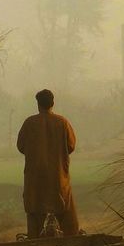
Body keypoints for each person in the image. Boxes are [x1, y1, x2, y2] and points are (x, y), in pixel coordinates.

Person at [17, 89, 79, 238]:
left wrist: (35, 154)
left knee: (34, 214)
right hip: (58, 177)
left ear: (38, 105)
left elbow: (21, 146)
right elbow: (71, 145)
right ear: (52, 103)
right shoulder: (62, 122)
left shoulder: (29, 123)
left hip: (35, 179)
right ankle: (72, 239)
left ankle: (34, 241)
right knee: (67, 213)